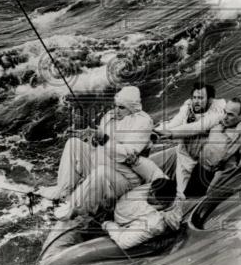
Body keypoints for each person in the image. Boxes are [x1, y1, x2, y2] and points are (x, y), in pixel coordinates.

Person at [37, 85, 154, 220]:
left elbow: (129, 154)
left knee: (101, 172)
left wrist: (104, 141)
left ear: (133, 108)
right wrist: (94, 139)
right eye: (116, 105)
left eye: (122, 108)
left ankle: (73, 208)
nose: (116, 110)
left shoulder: (143, 122)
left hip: (126, 178)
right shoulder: (110, 116)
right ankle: (63, 190)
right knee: (73, 143)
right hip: (102, 163)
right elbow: (97, 144)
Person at [154, 82, 226, 194]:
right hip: (184, 155)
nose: (196, 101)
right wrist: (157, 131)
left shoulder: (218, 112)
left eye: (201, 98)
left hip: (202, 161)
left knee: (192, 193)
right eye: (194, 97)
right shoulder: (188, 106)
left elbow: (196, 127)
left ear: (210, 100)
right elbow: (175, 122)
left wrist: (171, 134)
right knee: (181, 192)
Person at [179, 98, 241, 197]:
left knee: (196, 198)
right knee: (188, 194)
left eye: (230, 114)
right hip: (200, 166)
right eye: (225, 112)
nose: (225, 117)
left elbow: (235, 164)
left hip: (212, 174)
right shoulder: (220, 122)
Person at [103, 158, 182, 250]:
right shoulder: (161, 184)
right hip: (120, 205)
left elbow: (124, 243)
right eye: (150, 191)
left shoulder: (154, 223)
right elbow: (152, 169)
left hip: (120, 221)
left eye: (151, 194)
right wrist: (136, 162)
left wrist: (108, 225)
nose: (148, 194)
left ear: (161, 202)